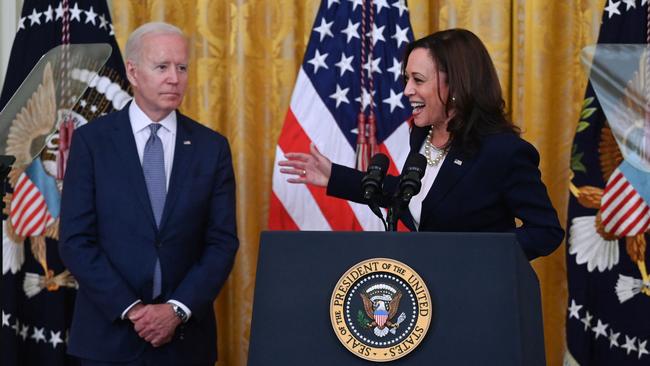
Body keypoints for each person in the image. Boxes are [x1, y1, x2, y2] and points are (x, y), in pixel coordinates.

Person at [279, 28, 564, 260]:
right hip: (426, 301)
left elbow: (545, 231)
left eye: (418, 80)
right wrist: (335, 176)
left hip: (480, 306)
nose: (406, 91)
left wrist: (477, 252)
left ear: (456, 86)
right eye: (406, 79)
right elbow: (410, 194)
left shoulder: (503, 152)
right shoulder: (423, 135)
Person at [59, 22, 238, 365]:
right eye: (162, 67)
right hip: (107, 340)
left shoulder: (211, 147)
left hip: (185, 342)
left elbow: (222, 242)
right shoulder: (92, 142)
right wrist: (133, 310)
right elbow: (76, 240)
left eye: (182, 67)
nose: (175, 78)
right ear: (133, 71)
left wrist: (176, 310)